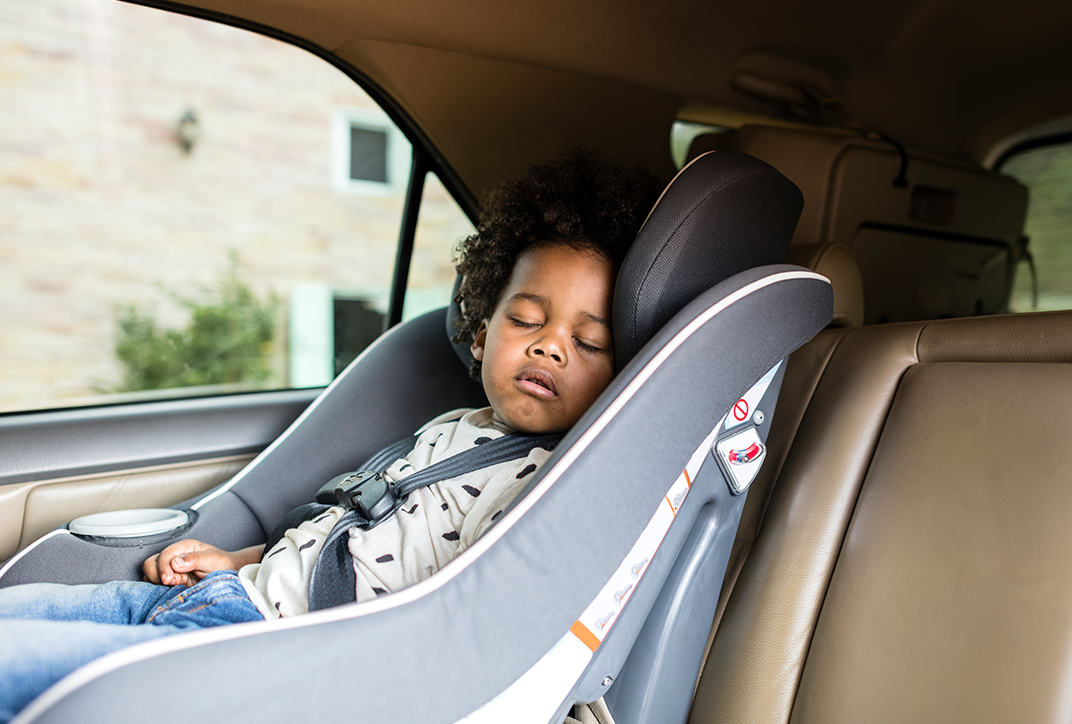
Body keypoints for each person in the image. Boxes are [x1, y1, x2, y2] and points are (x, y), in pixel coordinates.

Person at [0, 147, 660, 721]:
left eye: (588, 341)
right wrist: (239, 561)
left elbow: (458, 618)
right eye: (526, 320)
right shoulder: (454, 430)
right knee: (21, 609)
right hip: (229, 596)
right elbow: (359, 534)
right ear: (482, 337)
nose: (549, 347)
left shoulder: (550, 485)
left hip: (266, 649)